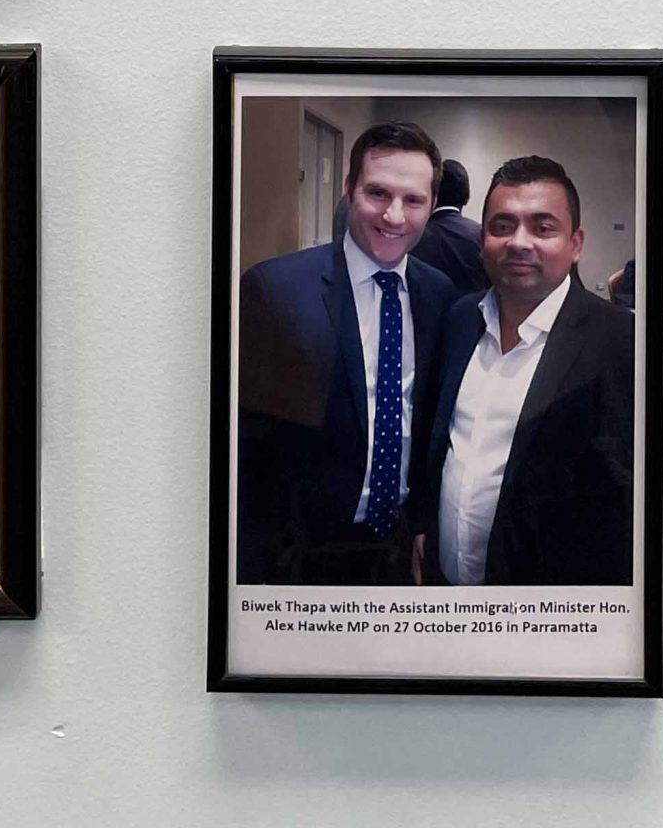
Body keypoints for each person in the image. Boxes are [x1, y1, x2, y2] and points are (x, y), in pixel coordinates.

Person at [236, 122, 460, 585]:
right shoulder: (275, 290)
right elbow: (244, 450)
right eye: (378, 193)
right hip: (299, 560)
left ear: (432, 203)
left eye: (413, 200)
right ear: (349, 188)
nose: (394, 216)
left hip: (398, 554)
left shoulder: (440, 296)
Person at [412, 157, 634, 588]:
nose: (519, 242)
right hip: (443, 590)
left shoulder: (620, 342)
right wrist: (424, 522)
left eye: (542, 227)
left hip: (545, 606)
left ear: (575, 243)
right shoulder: (460, 319)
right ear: (482, 240)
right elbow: (437, 439)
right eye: (502, 226)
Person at [411, 158, 489, 296]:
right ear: (467, 197)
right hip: (474, 309)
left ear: (432, 197)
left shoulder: (412, 237)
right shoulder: (482, 236)